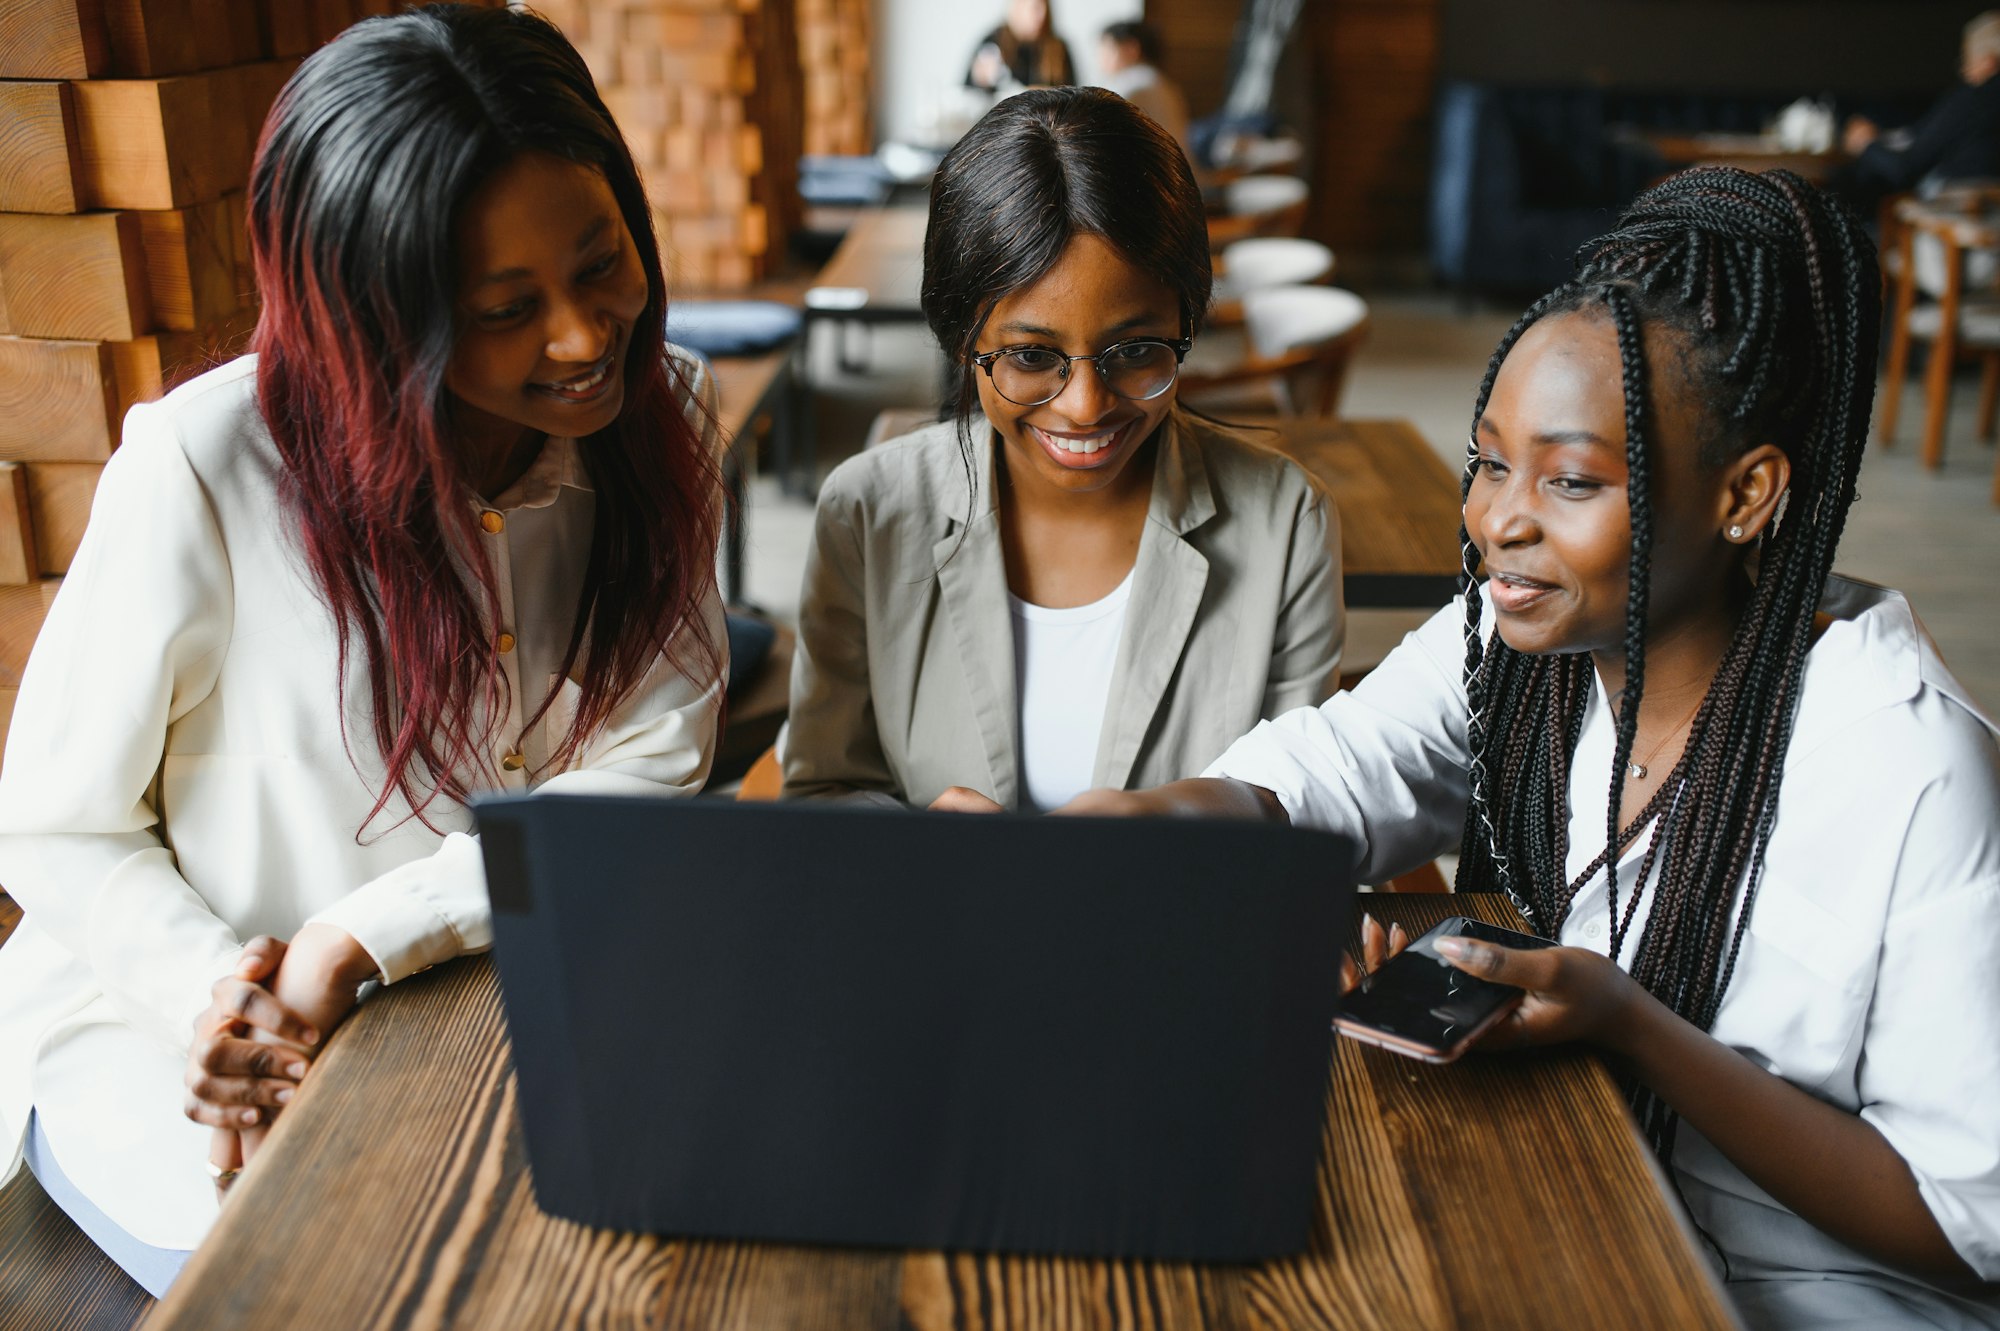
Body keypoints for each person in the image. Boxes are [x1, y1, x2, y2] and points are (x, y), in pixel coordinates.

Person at [1058, 168, 2000, 1328]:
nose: (1499, 517)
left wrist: (1628, 1020)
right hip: (1586, 1216)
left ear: (1746, 492)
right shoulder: (1522, 637)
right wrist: (1144, 819)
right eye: (1490, 459)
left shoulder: (1908, 767)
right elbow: (1331, 766)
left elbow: (1965, 1227)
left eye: (1568, 480)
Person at [0, 4, 727, 1295]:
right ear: (384, 325)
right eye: (507, 309)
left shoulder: (661, 417)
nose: (583, 333)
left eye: (602, 259)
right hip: (173, 1028)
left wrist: (361, 936)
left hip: (465, 997)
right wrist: (225, 997)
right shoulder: (206, 466)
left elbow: (656, 749)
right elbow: (54, 823)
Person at [783, 87, 1343, 812]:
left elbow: (1302, 807)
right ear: (963, 342)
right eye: (1030, 357)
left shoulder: (1285, 525)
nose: (1084, 406)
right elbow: (820, 791)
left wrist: (1179, 822)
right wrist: (912, 844)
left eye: (1136, 349)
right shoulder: (866, 514)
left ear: (1186, 322)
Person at [1839, 10, 2000, 208]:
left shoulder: (1976, 96)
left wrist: (1865, 145)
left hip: (1962, 221)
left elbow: (1906, 168)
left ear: (1988, 62)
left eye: (1967, 61)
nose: (1964, 72)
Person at [1096, 20, 1190, 157]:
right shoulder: (1160, 81)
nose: (1100, 58)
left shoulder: (1133, 84)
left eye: (1107, 49)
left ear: (1131, 48)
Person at [965, 0, 1075, 93]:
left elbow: (1072, 92)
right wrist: (979, 80)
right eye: (1033, 8)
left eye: (1043, 6)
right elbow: (967, 91)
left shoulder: (1058, 48)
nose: (1041, 15)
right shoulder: (994, 41)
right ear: (1016, 7)